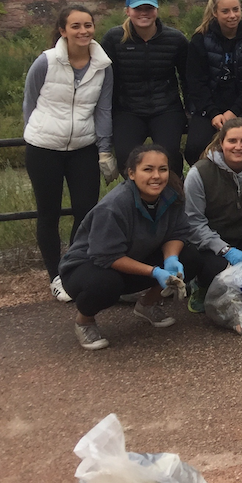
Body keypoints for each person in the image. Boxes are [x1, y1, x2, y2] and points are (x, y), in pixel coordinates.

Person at [58, 144, 191, 351]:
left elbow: (178, 233)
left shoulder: (172, 195)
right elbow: (106, 256)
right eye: (148, 169)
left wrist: (171, 260)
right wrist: (154, 271)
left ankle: (147, 305)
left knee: (191, 256)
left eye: (162, 169)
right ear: (131, 173)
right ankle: (84, 321)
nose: (156, 176)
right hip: (88, 266)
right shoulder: (114, 205)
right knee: (105, 284)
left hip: (134, 256)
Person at [23, 5, 115, 303]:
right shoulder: (46, 62)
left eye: (88, 25)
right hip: (44, 147)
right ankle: (55, 276)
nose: (83, 31)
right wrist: (34, 134)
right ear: (63, 30)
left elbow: (103, 110)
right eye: (76, 26)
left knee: (86, 211)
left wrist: (104, 151)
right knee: (48, 213)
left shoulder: (103, 65)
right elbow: (30, 102)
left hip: (83, 148)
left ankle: (73, 267)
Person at [181, 118, 242, 313]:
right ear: (221, 143)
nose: (238, 146)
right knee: (212, 270)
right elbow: (193, 222)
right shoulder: (199, 173)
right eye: (232, 141)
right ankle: (202, 286)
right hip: (214, 242)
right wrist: (225, 250)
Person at [101, 0, 188, 174]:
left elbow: (187, 78)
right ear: (127, 11)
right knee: (127, 158)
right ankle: (136, 201)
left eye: (148, 8)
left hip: (166, 108)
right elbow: (106, 81)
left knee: (169, 155)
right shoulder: (114, 39)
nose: (144, 13)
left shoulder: (175, 39)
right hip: (128, 110)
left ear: (156, 10)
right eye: (138, 9)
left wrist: (191, 110)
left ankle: (174, 197)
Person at [185, 0, 242, 165]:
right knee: (195, 147)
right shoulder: (200, 40)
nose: (232, 15)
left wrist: (233, 112)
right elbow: (195, 83)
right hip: (209, 106)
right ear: (215, 13)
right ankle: (206, 185)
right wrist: (214, 113)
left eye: (236, 9)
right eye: (226, 11)